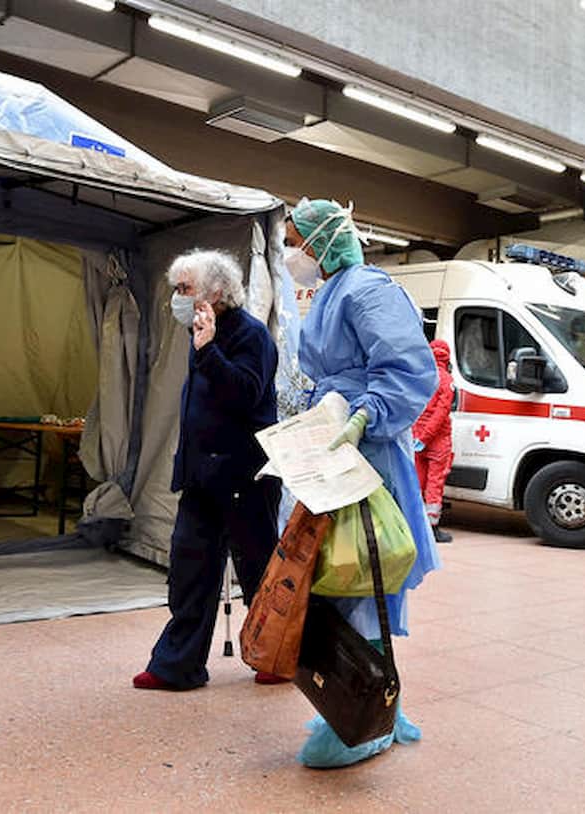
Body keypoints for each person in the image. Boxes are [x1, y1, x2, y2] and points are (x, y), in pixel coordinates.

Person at [284, 199, 441, 768]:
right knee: (332, 579)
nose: (290, 253)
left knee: (362, 577)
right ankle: (361, 693)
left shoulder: (368, 289)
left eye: (294, 241)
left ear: (322, 240)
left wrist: (365, 415)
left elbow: (408, 368)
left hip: (365, 448)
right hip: (333, 446)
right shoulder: (331, 291)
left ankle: (369, 719)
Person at [133, 249, 284, 691]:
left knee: (258, 571)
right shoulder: (200, 330)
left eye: (186, 289)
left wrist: (210, 350)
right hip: (202, 476)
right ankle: (176, 666)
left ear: (217, 293)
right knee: (190, 570)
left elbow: (247, 394)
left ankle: (275, 655)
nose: (178, 298)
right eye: (177, 289)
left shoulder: (250, 335)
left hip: (245, 477)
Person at [414, 340, 455, 543]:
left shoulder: (420, 378)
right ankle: (432, 527)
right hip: (437, 440)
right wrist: (427, 436)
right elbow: (441, 413)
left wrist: (418, 436)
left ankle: (414, 525)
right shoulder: (446, 381)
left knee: (416, 483)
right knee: (435, 484)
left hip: (417, 438)